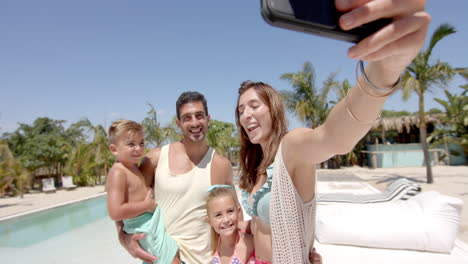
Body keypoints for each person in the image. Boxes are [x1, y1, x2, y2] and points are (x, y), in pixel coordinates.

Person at [235, 0, 431, 263]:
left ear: (273, 109)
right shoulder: (256, 166)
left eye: (254, 105)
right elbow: (265, 226)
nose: (245, 115)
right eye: (240, 110)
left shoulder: (291, 149)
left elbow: (334, 136)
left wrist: (384, 71)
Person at [116, 91, 234, 264]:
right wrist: (124, 238)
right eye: (187, 118)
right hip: (162, 257)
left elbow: (233, 214)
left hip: (205, 259)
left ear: (208, 119)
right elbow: (124, 201)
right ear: (179, 123)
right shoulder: (155, 159)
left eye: (199, 116)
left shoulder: (221, 165)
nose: (194, 122)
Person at [106, 120, 181, 264]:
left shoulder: (133, 167)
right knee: (171, 260)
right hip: (142, 226)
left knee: (172, 253)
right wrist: (146, 206)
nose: (138, 149)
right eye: (131, 144)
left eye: (141, 143)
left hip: (149, 223)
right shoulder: (118, 172)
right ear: (114, 149)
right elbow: (115, 212)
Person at [206, 185, 255, 264]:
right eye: (218, 215)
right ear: (209, 221)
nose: (226, 219)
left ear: (238, 211)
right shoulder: (212, 248)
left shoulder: (250, 244)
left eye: (230, 211)